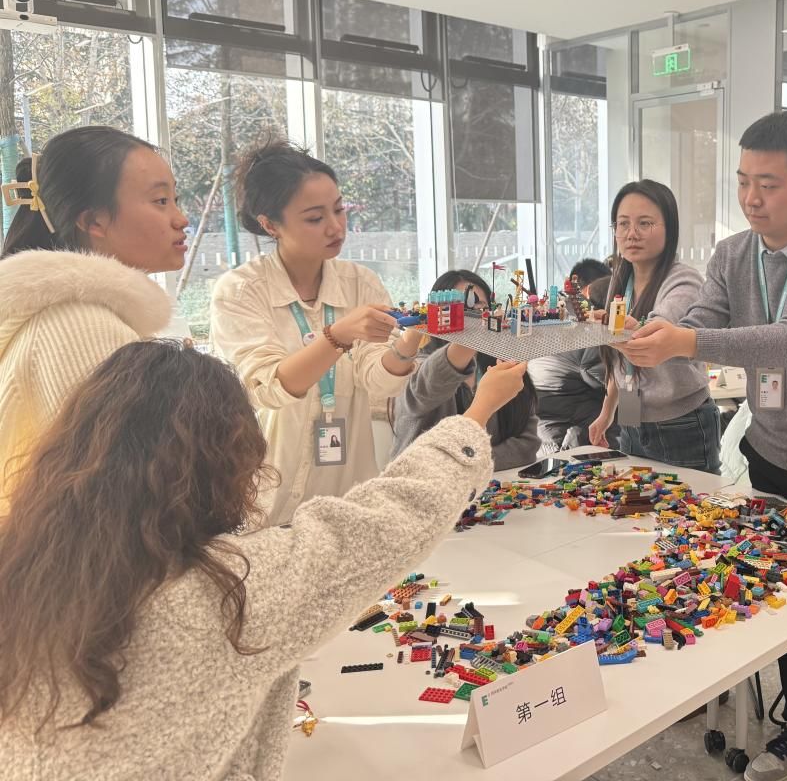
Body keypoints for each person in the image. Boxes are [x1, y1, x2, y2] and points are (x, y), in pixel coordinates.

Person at [0, 338, 526, 779]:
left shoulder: (25, 562)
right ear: (229, 456)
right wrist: (476, 414)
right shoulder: (226, 593)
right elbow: (390, 520)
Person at [620, 112, 787, 781]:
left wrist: (686, 341)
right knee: (785, 601)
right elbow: (704, 318)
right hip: (772, 452)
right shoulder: (732, 255)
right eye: (743, 181)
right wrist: (660, 331)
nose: (751, 198)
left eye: (768, 184)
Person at [210, 140, 425, 526]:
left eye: (339, 209)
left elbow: (377, 380)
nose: (335, 227)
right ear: (270, 224)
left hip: (346, 498)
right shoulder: (242, 291)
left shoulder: (361, 283)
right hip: (265, 503)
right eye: (314, 218)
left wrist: (408, 345)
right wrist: (337, 336)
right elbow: (267, 387)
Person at [0, 126, 187, 515]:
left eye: (176, 199)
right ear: (94, 221)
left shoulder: (68, 313)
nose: (181, 218)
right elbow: (118, 503)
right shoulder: (80, 324)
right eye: (160, 201)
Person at [589, 179, 721, 473]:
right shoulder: (621, 282)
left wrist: (632, 329)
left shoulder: (684, 280)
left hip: (683, 423)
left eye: (645, 223)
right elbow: (620, 361)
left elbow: (659, 328)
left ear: (669, 229)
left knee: (690, 503)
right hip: (632, 420)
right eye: (623, 224)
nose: (631, 233)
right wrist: (607, 412)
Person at [391, 269, 540, 471]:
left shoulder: (502, 365)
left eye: (481, 307)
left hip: (494, 485)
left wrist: (468, 466)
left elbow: (527, 445)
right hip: (420, 484)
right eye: (462, 308)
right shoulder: (418, 366)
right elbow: (429, 384)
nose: (474, 315)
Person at [530, 267, 615, 453]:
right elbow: (607, 377)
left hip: (541, 418)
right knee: (624, 416)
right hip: (564, 427)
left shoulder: (562, 311)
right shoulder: (591, 329)